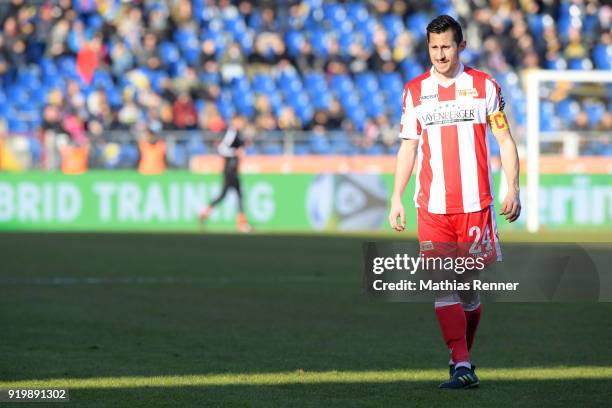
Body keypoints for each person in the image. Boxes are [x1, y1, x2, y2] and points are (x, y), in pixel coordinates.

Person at [388, 15, 521, 389]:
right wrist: (396, 197)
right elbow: (408, 146)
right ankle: (462, 363)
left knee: (467, 288)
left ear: (461, 46)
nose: (440, 54)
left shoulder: (484, 87)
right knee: (442, 282)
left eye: (446, 46)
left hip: (475, 205)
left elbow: (505, 141)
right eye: (433, 47)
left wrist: (513, 187)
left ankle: (459, 359)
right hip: (431, 207)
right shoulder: (415, 91)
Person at [199, 115, 251, 232]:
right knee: (238, 195)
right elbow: (221, 148)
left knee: (227, 195)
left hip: (233, 169)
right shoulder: (231, 133)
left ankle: (204, 212)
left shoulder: (236, 133)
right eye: (240, 121)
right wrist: (235, 152)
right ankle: (242, 224)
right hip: (229, 170)